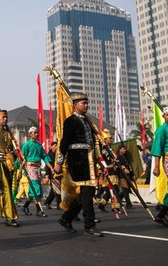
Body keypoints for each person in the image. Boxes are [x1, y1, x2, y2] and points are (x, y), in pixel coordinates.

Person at [53, 93, 102, 237]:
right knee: (88, 193)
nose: (86, 106)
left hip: (89, 159)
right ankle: (89, 225)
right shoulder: (70, 121)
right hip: (78, 160)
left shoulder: (88, 121)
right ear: (75, 105)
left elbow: (95, 141)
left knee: (87, 194)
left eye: (87, 103)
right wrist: (58, 163)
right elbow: (64, 143)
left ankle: (66, 218)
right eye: (83, 103)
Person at [20, 126, 51, 217]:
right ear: (30, 134)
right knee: (36, 189)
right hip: (30, 167)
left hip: (38, 168)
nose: (37, 134)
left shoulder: (39, 145)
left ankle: (25, 206)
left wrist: (51, 167)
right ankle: (39, 210)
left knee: (33, 190)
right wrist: (21, 169)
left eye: (37, 132)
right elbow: (23, 158)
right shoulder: (26, 145)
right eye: (35, 132)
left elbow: (45, 156)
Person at [115, 144, 134, 209]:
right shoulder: (118, 156)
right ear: (120, 150)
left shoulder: (125, 156)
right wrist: (124, 168)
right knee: (125, 189)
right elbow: (118, 164)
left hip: (127, 175)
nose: (125, 150)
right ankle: (128, 204)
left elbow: (129, 165)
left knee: (127, 189)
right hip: (121, 175)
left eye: (125, 149)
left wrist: (132, 174)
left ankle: (118, 200)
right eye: (123, 149)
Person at [43, 141, 61, 210]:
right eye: (55, 145)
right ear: (51, 147)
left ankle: (47, 202)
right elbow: (47, 166)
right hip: (52, 175)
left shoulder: (58, 155)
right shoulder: (50, 155)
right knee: (56, 190)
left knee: (54, 190)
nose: (56, 146)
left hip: (58, 174)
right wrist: (47, 175)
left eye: (57, 145)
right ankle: (59, 204)